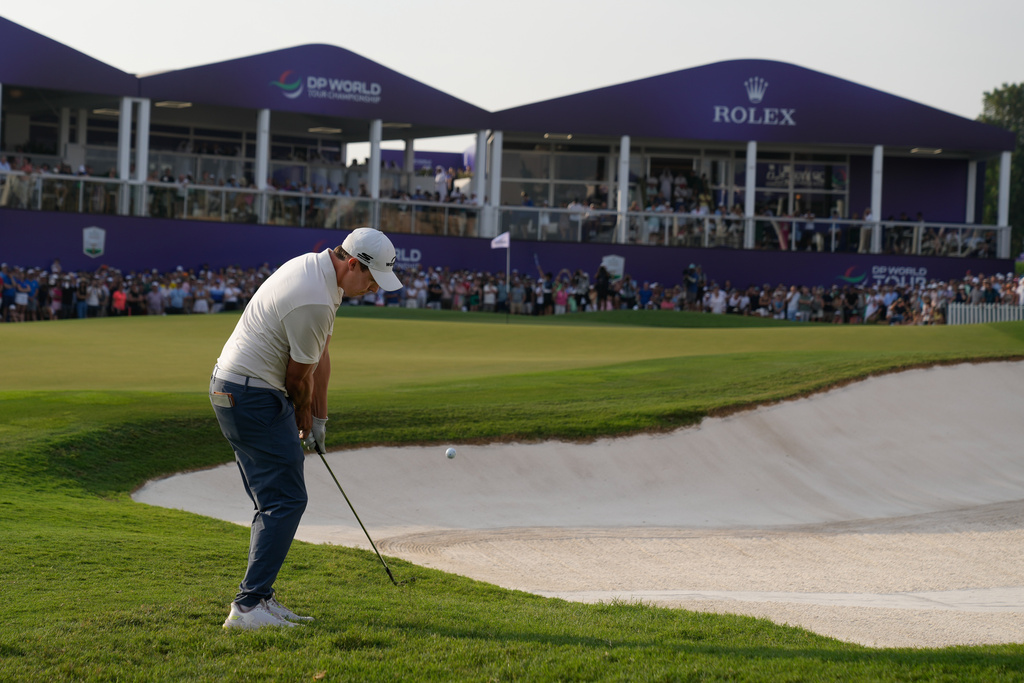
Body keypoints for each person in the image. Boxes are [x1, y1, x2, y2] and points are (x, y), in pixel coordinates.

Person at [211, 227, 402, 630]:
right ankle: (247, 608)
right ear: (353, 263)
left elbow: (320, 356)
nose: (372, 289)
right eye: (370, 279)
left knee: (275, 501)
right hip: (251, 396)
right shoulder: (315, 297)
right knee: (286, 501)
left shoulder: (319, 272)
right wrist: (303, 417)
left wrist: (319, 419)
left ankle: (259, 597)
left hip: (238, 391)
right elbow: (298, 379)